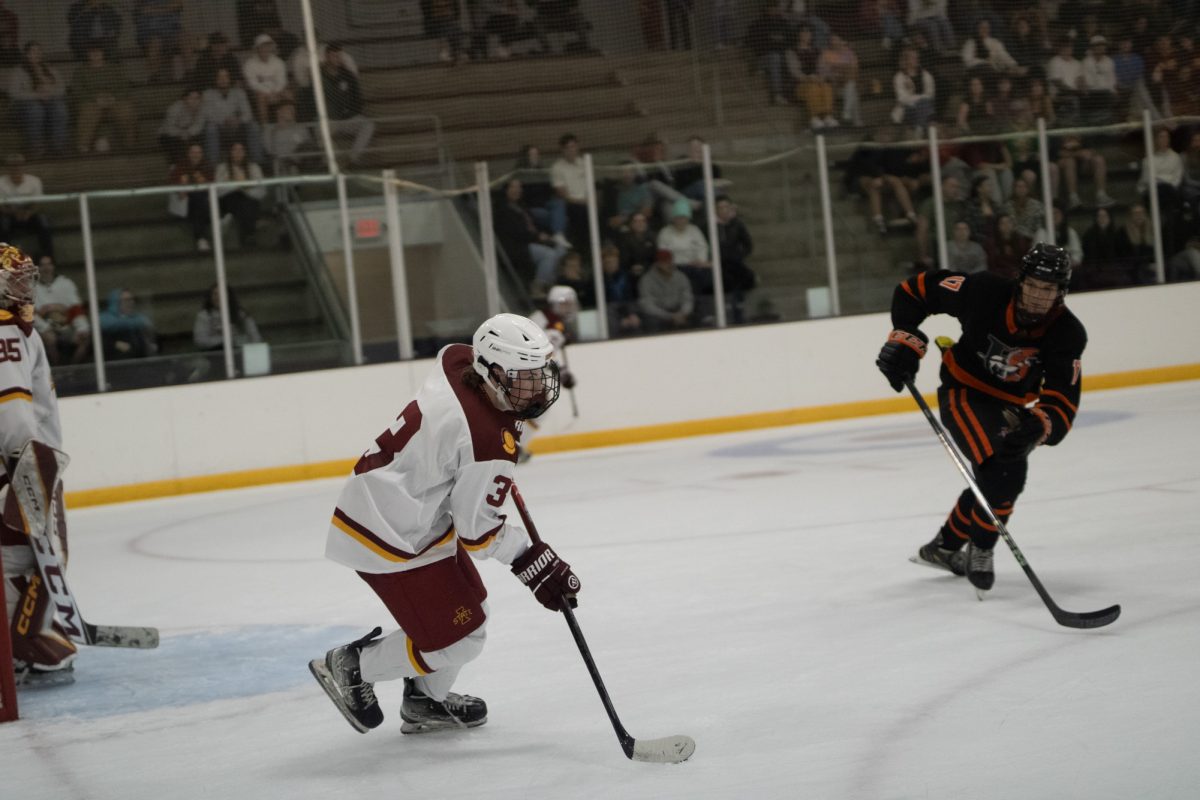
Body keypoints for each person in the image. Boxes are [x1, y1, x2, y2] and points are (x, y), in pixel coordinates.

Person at [308, 313, 579, 734]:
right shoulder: (484, 440)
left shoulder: (459, 363)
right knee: (462, 638)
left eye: (539, 372)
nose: (539, 386)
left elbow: (468, 419)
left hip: (403, 509)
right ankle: (352, 665)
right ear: (492, 372)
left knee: (473, 613)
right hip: (390, 535)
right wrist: (531, 558)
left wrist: (502, 431)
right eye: (525, 376)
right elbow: (479, 534)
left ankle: (423, 700)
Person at [876, 242, 1086, 593]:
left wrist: (1040, 423)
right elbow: (915, 291)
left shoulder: (1068, 333)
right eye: (1032, 285)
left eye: (1047, 289)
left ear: (1061, 292)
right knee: (1006, 469)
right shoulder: (984, 291)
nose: (1037, 296)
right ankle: (982, 548)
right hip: (964, 391)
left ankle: (943, 547)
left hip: (1011, 406)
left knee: (995, 478)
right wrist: (906, 339)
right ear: (1019, 281)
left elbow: (1064, 399)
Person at [0, 242, 78, 686]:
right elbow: (13, 418)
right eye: (13, 279)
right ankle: (24, 643)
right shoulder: (6, 334)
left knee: (15, 559)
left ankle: (17, 642)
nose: (24, 286)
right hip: (26, 465)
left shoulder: (15, 329)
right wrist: (26, 472)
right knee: (45, 555)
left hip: (15, 466)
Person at [8, 41, 69, 157]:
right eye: (34, 51)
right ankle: (36, 147)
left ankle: (58, 147)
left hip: (50, 101)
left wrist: (49, 92)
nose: (37, 54)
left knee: (60, 108)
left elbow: (62, 89)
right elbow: (13, 93)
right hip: (25, 105)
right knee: (36, 109)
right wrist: (36, 95)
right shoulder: (19, 71)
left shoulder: (50, 69)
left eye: (39, 51)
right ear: (26, 54)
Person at [70, 46, 137, 154]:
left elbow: (125, 86)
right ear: (88, 54)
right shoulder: (80, 71)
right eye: (92, 52)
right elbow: (77, 90)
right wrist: (95, 99)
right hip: (92, 101)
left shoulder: (115, 68)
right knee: (88, 112)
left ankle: (130, 144)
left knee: (127, 111)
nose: (95, 54)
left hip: (114, 100)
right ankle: (83, 145)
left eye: (98, 51)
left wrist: (113, 98)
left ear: (103, 53)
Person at [317, 44, 375, 167]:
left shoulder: (348, 75)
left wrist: (354, 111)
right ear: (327, 57)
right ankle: (336, 159)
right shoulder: (319, 76)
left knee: (368, 125)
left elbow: (357, 96)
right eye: (334, 56)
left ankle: (352, 158)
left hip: (348, 118)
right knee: (318, 130)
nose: (337, 58)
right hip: (330, 120)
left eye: (339, 56)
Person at [33, 254, 91, 366]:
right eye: (42, 265)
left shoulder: (66, 284)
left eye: (49, 264)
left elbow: (76, 309)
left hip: (66, 327)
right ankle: (57, 371)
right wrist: (45, 328)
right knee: (49, 338)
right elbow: (29, 313)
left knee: (85, 337)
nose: (46, 268)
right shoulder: (30, 286)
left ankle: (72, 369)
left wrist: (82, 328)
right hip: (43, 329)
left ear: (53, 266)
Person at [0, 154, 54, 259]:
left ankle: (48, 259)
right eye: (12, 166)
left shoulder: (35, 181)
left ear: (23, 166)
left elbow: (39, 203)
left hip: (30, 214)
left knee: (44, 222)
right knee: (2, 225)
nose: (15, 168)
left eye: (18, 166)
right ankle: (5, 260)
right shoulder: (0, 183)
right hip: (9, 215)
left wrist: (29, 212)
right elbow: (0, 206)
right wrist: (14, 213)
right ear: (7, 168)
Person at [215, 141, 267, 248]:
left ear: (245, 152)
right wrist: (236, 185)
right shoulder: (222, 168)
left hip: (249, 200)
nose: (238, 153)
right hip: (227, 201)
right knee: (240, 199)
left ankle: (246, 233)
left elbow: (262, 191)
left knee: (247, 202)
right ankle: (252, 230)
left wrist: (245, 189)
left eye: (241, 150)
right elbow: (217, 191)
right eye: (235, 150)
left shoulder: (254, 167)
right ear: (230, 152)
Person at [169, 143, 215, 252]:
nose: (196, 155)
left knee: (200, 202)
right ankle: (202, 238)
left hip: (204, 201)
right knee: (198, 202)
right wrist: (180, 190)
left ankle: (201, 238)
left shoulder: (207, 166)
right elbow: (172, 183)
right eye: (193, 152)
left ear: (202, 154)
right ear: (188, 154)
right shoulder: (181, 166)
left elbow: (212, 184)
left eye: (198, 152)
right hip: (186, 203)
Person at [638, 248, 694, 332]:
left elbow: (687, 298)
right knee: (651, 321)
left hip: (679, 311)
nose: (667, 264)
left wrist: (683, 312)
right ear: (657, 263)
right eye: (664, 262)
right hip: (659, 315)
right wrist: (669, 316)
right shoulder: (646, 280)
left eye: (669, 261)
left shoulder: (681, 277)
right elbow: (647, 304)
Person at [193, 284, 262, 350]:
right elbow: (200, 341)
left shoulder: (241, 314)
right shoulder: (204, 316)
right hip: (214, 355)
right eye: (215, 294)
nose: (218, 297)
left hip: (240, 352)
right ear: (210, 297)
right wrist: (226, 339)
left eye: (222, 293)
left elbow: (255, 338)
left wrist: (238, 341)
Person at [243, 33, 292, 124]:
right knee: (261, 97)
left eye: (268, 46)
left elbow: (282, 81)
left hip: (277, 92)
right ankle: (265, 128)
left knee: (289, 94)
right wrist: (268, 93)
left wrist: (276, 92)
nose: (265, 49)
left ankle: (290, 124)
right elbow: (252, 84)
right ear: (257, 48)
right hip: (259, 94)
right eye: (262, 46)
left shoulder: (279, 62)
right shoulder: (249, 64)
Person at [100, 288, 157, 360]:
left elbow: (153, 340)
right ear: (115, 302)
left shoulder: (139, 320)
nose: (131, 302)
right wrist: (114, 344)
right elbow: (101, 343)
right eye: (126, 300)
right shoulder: (105, 320)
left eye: (132, 299)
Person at [158, 87, 206, 165]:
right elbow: (169, 128)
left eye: (197, 98)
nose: (194, 101)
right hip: (168, 135)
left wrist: (187, 133)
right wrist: (182, 133)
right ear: (185, 99)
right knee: (176, 143)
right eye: (191, 98)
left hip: (189, 134)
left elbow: (198, 126)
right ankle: (175, 166)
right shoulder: (175, 108)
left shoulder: (202, 109)